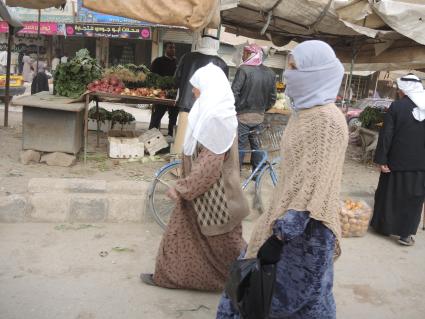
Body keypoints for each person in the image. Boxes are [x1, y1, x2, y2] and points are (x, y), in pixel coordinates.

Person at [217, 40, 348, 319]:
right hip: (284, 221)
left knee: (280, 301)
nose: (287, 74)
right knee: (268, 298)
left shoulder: (326, 121)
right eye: (288, 67)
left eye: (294, 67)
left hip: (305, 232)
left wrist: (279, 236)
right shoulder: (305, 112)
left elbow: (313, 184)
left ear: (316, 73)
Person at [141, 63, 249, 291]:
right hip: (199, 195)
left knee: (226, 246)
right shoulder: (209, 112)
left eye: (197, 87)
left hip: (216, 199)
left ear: (209, 87)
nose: (193, 92)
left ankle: (247, 283)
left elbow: (210, 166)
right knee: (180, 237)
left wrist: (182, 188)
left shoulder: (218, 119)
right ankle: (169, 277)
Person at [371, 73, 425, 246]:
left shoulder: (397, 107)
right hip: (420, 165)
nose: (399, 92)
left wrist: (381, 159)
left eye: (400, 89)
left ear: (404, 90)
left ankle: (383, 227)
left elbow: (386, 135)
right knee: (414, 199)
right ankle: (406, 234)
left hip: (395, 162)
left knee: (390, 195)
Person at [172, 35, 228, 154]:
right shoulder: (221, 63)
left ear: (200, 43)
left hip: (187, 104)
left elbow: (176, 79)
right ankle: (199, 169)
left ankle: (177, 168)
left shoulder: (187, 57)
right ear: (215, 45)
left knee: (182, 137)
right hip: (208, 108)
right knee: (203, 141)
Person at [232, 44, 276, 172]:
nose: (243, 55)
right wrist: (262, 109)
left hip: (243, 116)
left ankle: (236, 173)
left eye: (246, 53)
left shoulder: (243, 69)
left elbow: (233, 93)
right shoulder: (270, 73)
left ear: (252, 54)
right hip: (259, 116)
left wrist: (236, 109)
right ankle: (257, 174)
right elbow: (272, 98)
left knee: (240, 146)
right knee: (257, 145)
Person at [148, 42, 178, 137]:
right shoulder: (158, 61)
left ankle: (170, 137)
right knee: (156, 117)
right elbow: (152, 76)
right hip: (161, 94)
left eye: (173, 48)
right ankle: (151, 137)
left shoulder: (177, 62)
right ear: (165, 49)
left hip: (174, 95)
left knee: (173, 118)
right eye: (170, 48)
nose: (172, 49)